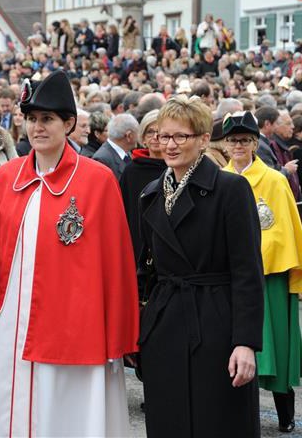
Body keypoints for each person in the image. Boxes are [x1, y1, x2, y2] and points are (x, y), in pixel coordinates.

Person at [0, 69, 139, 437]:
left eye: (48, 119)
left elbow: (115, 263)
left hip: (71, 324)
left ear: (69, 123)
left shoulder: (97, 180)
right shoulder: (7, 176)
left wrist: (117, 334)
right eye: (32, 119)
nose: (38, 127)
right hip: (7, 324)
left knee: (60, 415)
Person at [138, 95, 264, 437]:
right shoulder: (150, 194)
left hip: (217, 326)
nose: (170, 145)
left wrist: (246, 342)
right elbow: (145, 271)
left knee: (218, 422)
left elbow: (248, 271)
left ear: (203, 139)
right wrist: (143, 327)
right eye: (163, 136)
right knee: (169, 422)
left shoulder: (231, 189)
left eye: (181, 136)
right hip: (166, 326)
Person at [223, 110, 302, 433]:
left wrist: (257, 256)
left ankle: (285, 413)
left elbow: (284, 227)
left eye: (244, 140)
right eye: (233, 141)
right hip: (234, 276)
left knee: (276, 349)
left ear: (255, 143)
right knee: (237, 347)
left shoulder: (274, 179)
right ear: (225, 144)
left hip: (270, 274)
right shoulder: (221, 178)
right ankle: (239, 413)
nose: (238, 146)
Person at [119, 109, 166, 259]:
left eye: (160, 132)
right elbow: (123, 211)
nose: (155, 137)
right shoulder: (132, 171)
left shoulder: (177, 168)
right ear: (143, 139)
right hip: (138, 241)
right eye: (150, 132)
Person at [92, 113, 138, 180]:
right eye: (137, 132)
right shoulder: (102, 159)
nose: (138, 137)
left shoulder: (126, 152)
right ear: (129, 135)